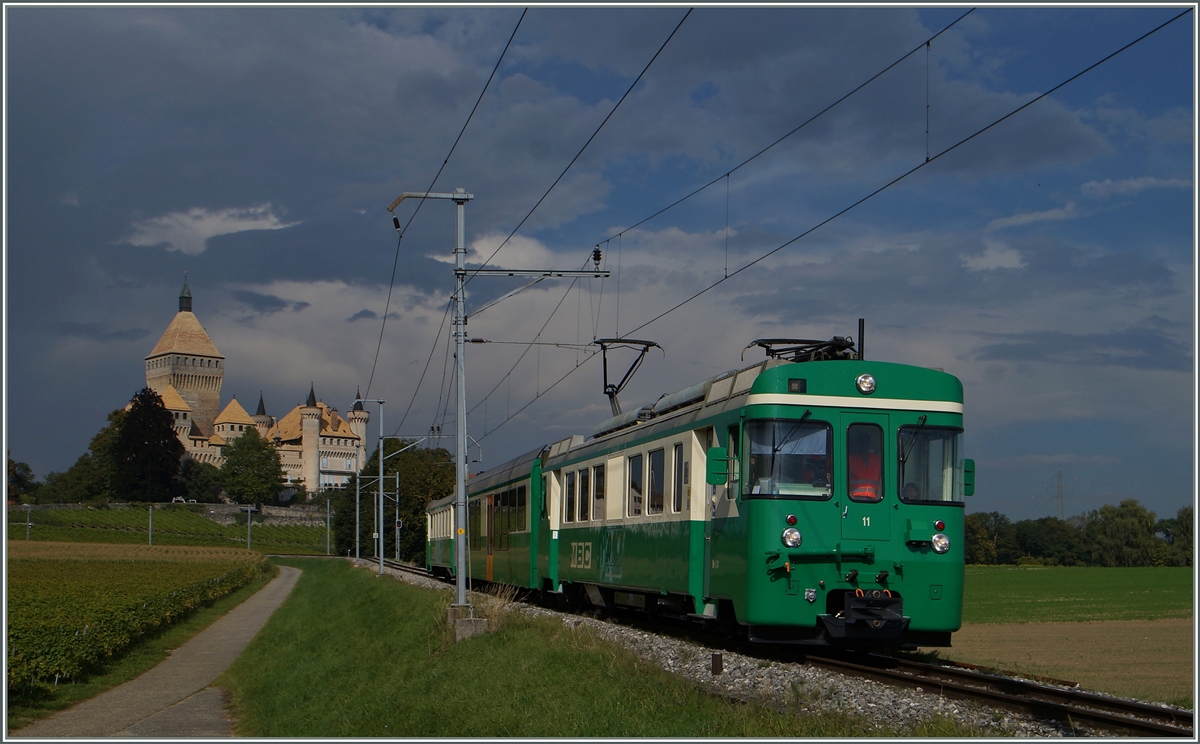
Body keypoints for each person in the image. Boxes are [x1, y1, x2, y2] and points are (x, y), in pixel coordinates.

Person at [847, 427, 881, 501]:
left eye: (866, 442)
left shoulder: (876, 459)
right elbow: (845, 478)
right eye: (862, 442)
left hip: (874, 498)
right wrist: (849, 495)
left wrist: (879, 497)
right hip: (854, 498)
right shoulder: (851, 459)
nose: (864, 445)